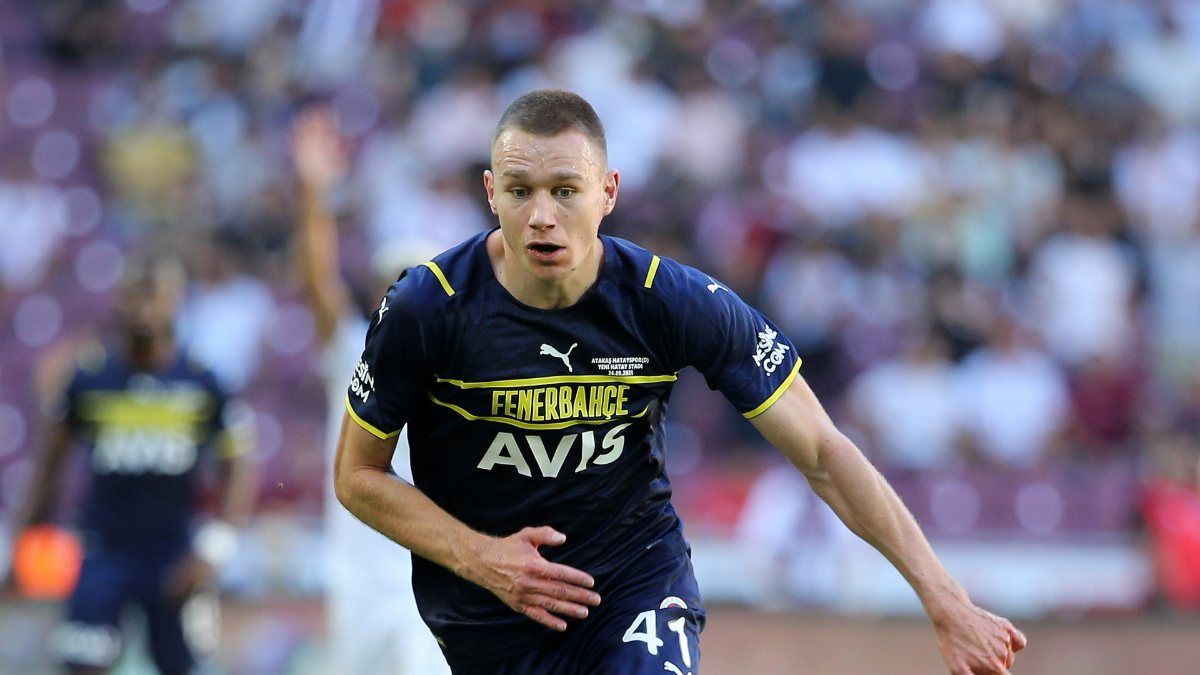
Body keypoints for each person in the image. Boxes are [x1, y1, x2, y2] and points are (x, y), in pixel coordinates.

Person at [334, 89, 1027, 674]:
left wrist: (946, 600)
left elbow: (823, 450)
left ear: (608, 192)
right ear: (491, 193)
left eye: (565, 191)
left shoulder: (670, 300)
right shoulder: (428, 307)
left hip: (633, 581)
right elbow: (356, 475)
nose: (542, 215)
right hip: (486, 612)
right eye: (520, 192)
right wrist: (482, 557)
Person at [6, 257, 256, 674]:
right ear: (119, 301)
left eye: (155, 297)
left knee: (185, 666)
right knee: (83, 664)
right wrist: (22, 543)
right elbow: (49, 468)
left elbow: (238, 468)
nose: (145, 309)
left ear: (176, 302)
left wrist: (215, 549)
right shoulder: (89, 379)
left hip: (175, 556)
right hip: (104, 550)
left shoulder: (204, 381)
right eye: (136, 296)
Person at [290, 108, 451, 673]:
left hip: (436, 574)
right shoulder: (355, 355)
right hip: (358, 578)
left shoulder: (470, 368)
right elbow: (317, 280)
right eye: (396, 281)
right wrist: (314, 195)